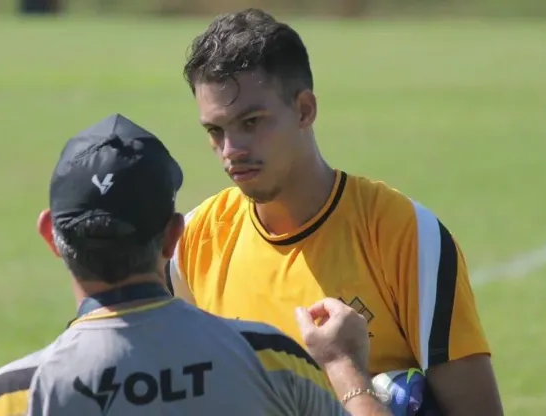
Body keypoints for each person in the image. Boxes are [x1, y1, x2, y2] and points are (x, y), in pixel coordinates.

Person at [167, 8, 504, 416]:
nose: (230, 151)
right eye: (215, 131)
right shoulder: (195, 241)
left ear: (305, 110)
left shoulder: (405, 234)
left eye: (252, 122)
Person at [0, 113, 391, 416]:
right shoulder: (272, 358)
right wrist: (344, 368)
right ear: (174, 235)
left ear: (51, 236)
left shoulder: (12, 395)